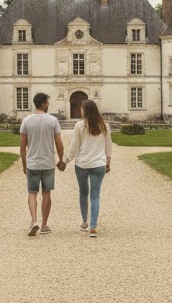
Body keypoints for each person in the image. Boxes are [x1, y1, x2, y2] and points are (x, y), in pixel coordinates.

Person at [20, 92, 66, 236]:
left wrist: (24, 164)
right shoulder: (53, 120)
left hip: (33, 163)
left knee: (32, 193)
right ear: (44, 104)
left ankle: (34, 221)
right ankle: (44, 224)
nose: (49, 104)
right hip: (47, 163)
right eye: (48, 102)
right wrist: (60, 159)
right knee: (47, 193)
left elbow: (22, 146)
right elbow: (59, 143)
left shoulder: (27, 120)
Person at [68, 99, 112, 238]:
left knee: (83, 193)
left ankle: (85, 222)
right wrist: (108, 161)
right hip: (98, 164)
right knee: (95, 196)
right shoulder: (104, 125)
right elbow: (108, 145)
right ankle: (93, 227)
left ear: (85, 111)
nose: (80, 111)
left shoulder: (79, 125)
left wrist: (66, 160)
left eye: (82, 108)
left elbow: (74, 147)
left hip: (82, 164)